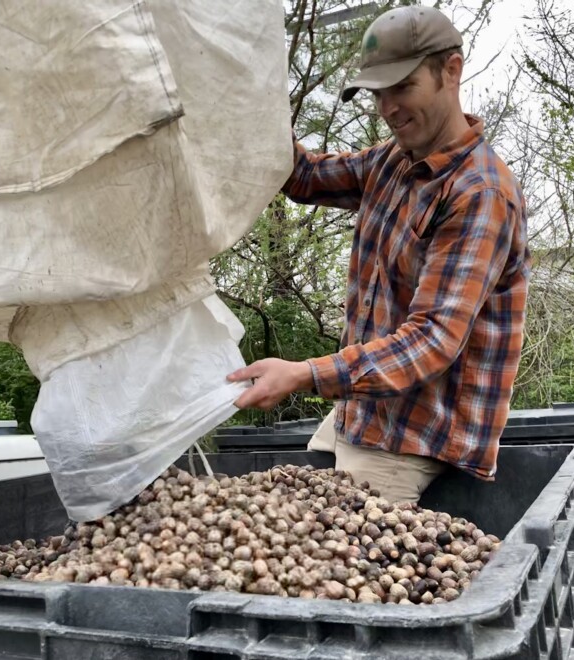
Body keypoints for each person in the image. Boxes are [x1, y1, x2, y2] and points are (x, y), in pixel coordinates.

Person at [227, 5, 530, 503]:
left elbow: (431, 342)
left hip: (415, 437)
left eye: (403, 87)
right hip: (363, 414)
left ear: (451, 71)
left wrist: (304, 373)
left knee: (334, 570)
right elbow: (303, 176)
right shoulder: (391, 162)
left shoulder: (479, 193)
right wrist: (243, 98)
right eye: (378, 93)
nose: (388, 107)